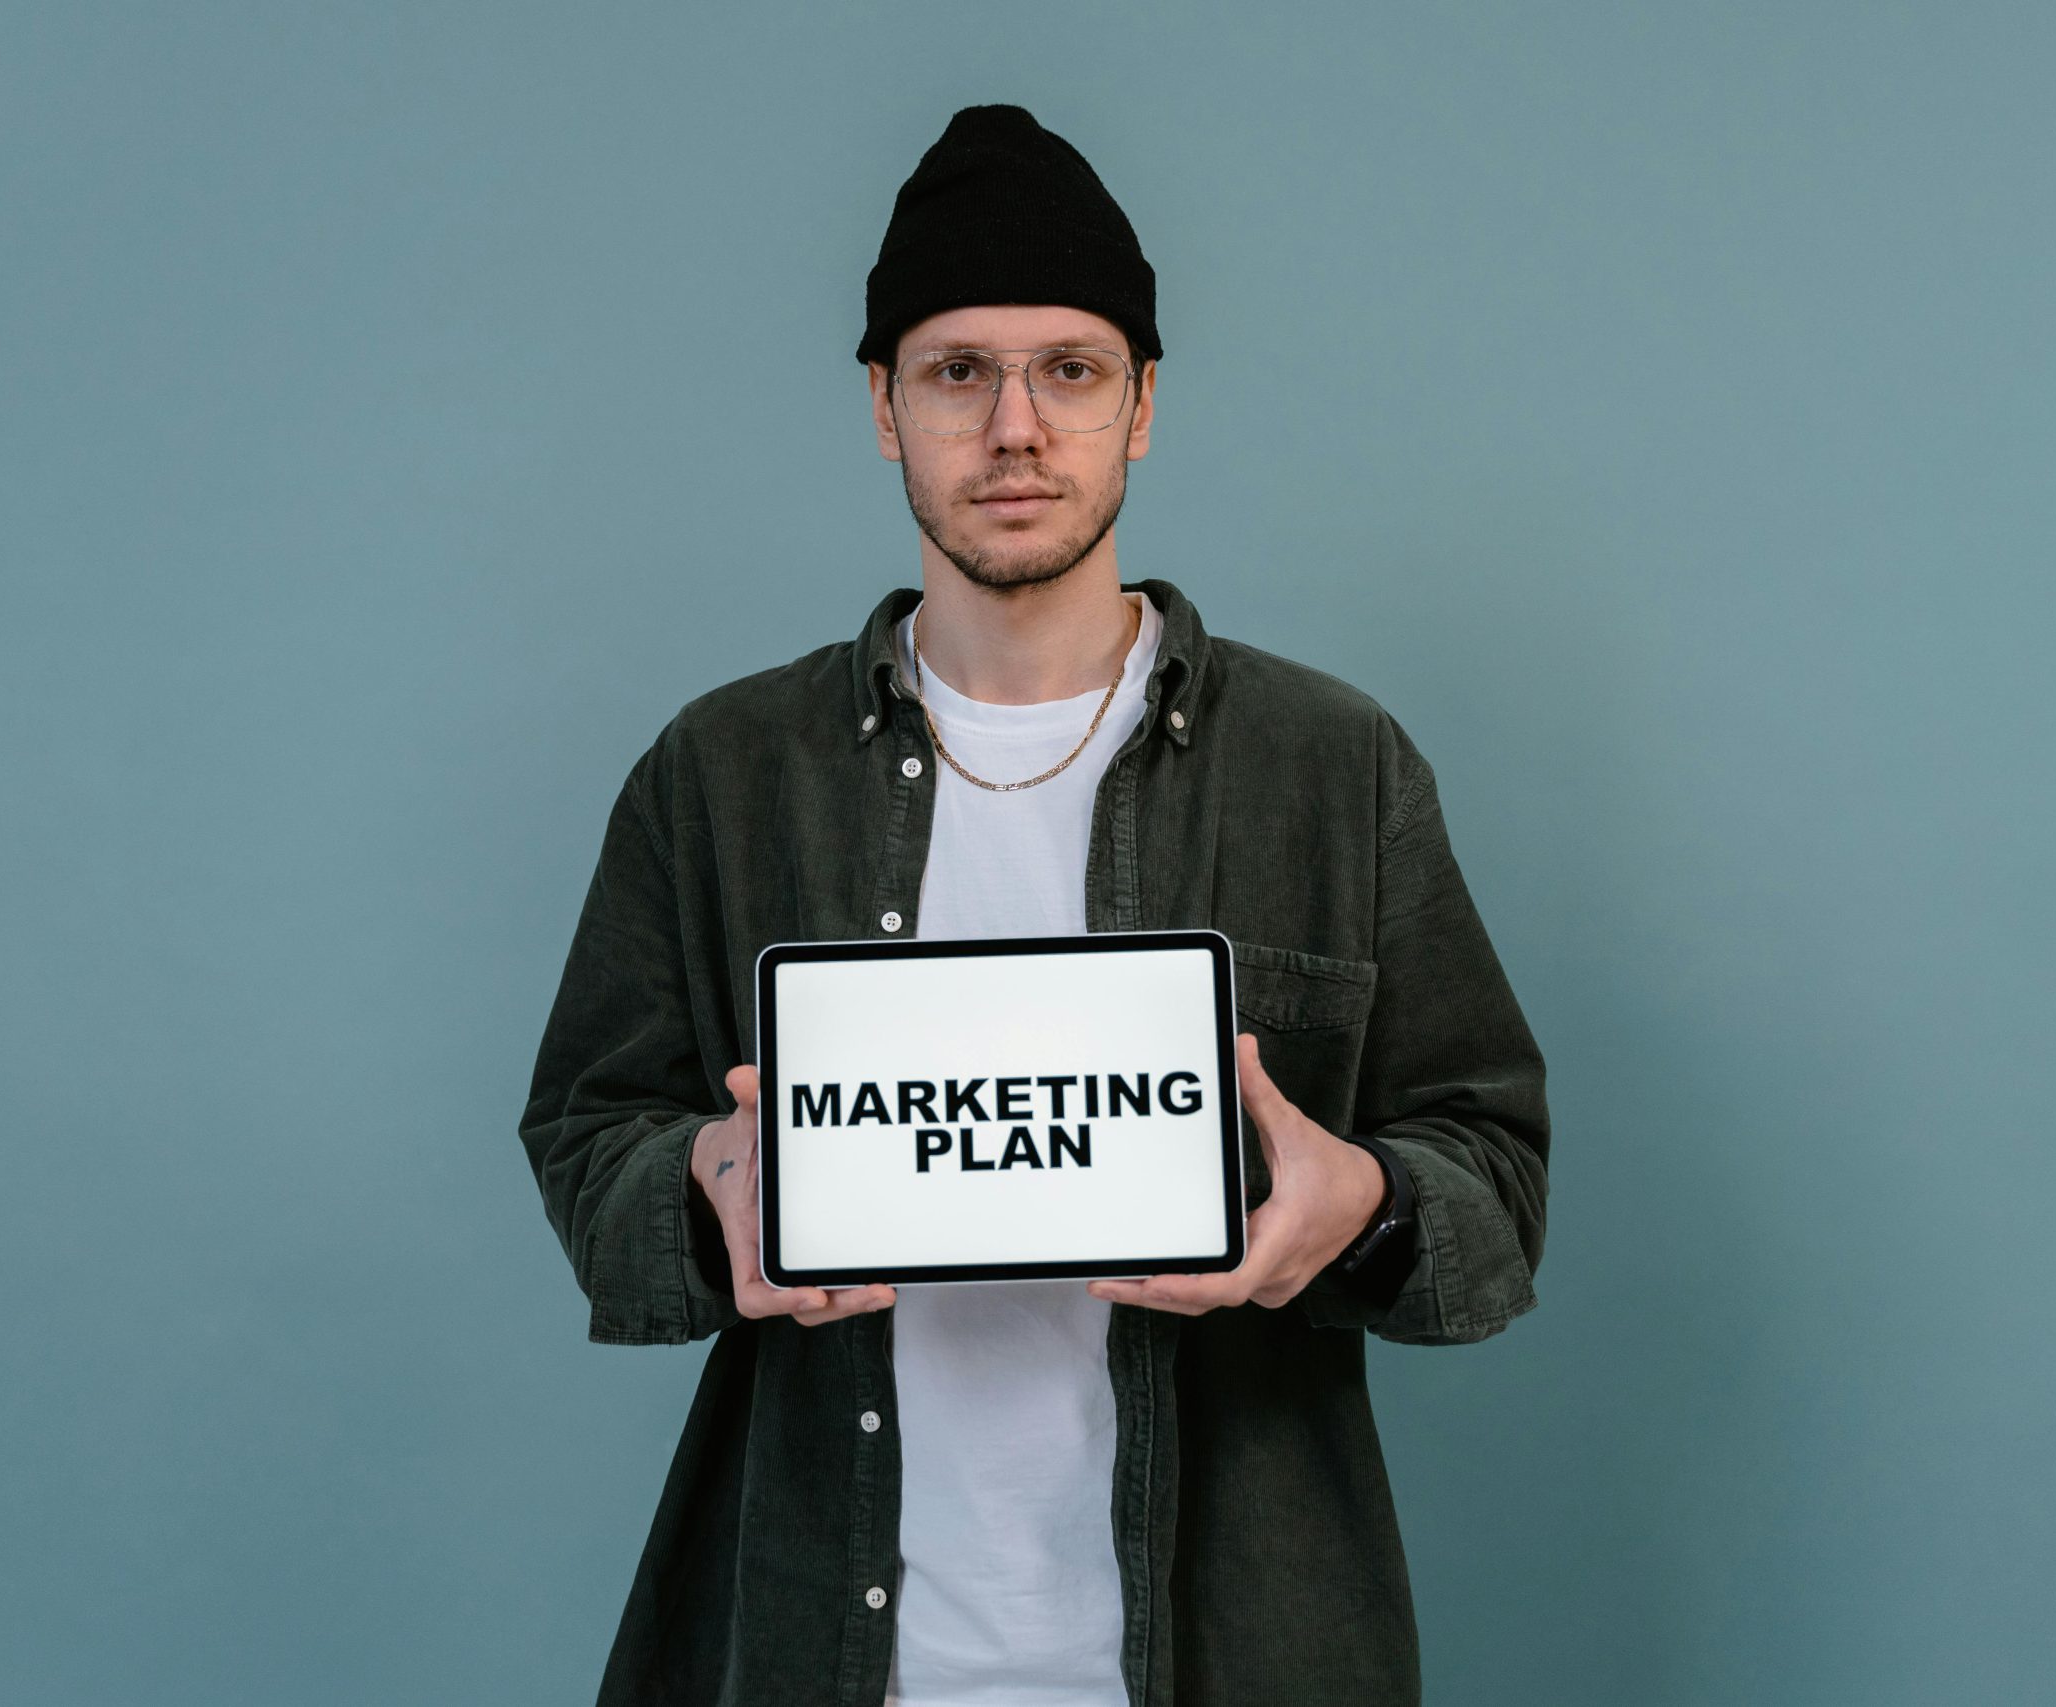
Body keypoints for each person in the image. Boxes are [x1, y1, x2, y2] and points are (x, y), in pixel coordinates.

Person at [518, 103, 1551, 1707]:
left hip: (1244, 1650)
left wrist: (1363, 1205)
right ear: (884, 406)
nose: (1015, 426)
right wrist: (707, 1178)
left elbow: (1491, 1169)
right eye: (956, 371)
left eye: (1069, 370)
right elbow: (590, 1130)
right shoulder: (722, 771)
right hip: (818, 1648)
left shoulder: (1333, 766)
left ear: (1143, 405)